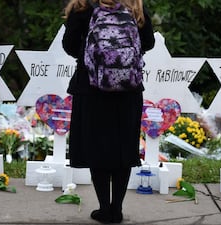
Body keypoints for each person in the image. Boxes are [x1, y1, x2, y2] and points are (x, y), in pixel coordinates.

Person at [62, 0, 155, 223]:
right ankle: (117, 208)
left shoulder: (82, 7)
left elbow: (69, 45)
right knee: (123, 150)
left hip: (91, 87)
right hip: (128, 90)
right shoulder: (135, 7)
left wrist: (94, 57)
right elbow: (149, 42)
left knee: (98, 149)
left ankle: (104, 208)